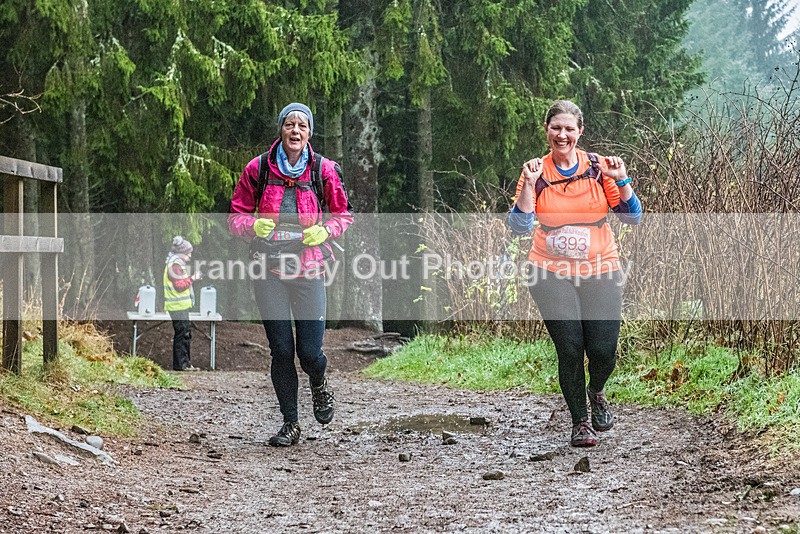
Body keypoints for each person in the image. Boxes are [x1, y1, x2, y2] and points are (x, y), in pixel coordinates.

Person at [508, 100, 643, 447]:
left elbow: (632, 217)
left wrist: (622, 179)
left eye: (569, 129)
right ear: (546, 130)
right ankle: (580, 422)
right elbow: (519, 227)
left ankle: (596, 390)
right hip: (549, 271)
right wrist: (528, 185)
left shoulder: (598, 169)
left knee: (604, 350)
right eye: (556, 128)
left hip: (601, 268)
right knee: (570, 348)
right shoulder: (535, 172)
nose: (562, 135)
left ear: (580, 132)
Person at [228, 102, 353, 447]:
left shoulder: (324, 170)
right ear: (280, 130)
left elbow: (343, 215)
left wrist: (325, 231)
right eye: (289, 125)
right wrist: (253, 224)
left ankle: (319, 381)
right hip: (268, 270)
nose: (295, 131)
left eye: (302, 125)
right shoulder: (257, 168)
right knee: (281, 350)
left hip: (308, 267)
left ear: (309, 133)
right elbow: (235, 217)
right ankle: (290, 423)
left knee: (309, 353)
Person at [164, 235, 201, 371]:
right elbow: (179, 285)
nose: (190, 255)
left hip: (180, 306)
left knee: (185, 333)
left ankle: (185, 364)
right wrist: (193, 278)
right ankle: (181, 365)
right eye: (189, 252)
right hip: (177, 306)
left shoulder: (177, 263)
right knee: (182, 334)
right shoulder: (175, 265)